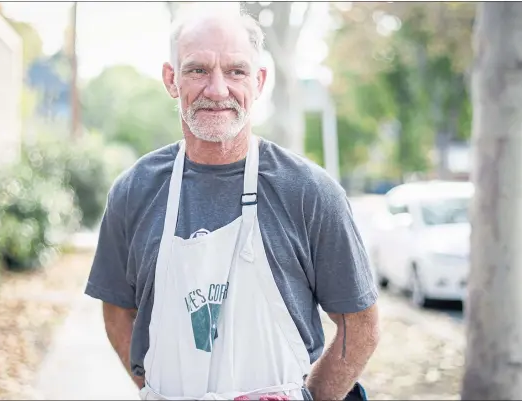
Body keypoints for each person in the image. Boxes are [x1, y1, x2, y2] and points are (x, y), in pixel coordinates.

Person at [85, 6, 380, 401]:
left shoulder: (310, 193)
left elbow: (361, 327)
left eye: (236, 71)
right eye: (198, 70)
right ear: (172, 80)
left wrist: (308, 397)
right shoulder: (133, 191)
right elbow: (117, 311)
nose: (218, 89)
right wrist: (153, 389)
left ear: (258, 81)